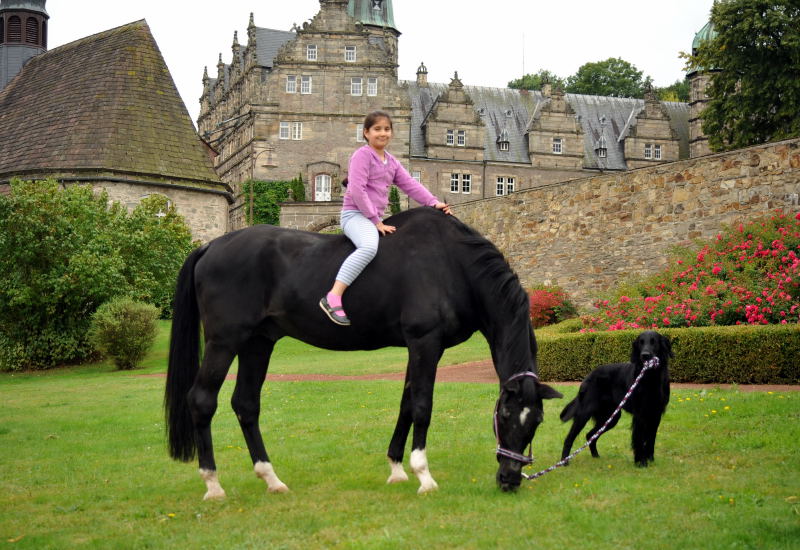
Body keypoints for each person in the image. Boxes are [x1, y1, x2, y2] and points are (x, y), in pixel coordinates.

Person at [319, 110, 452, 326]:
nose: (383, 133)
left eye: (387, 129)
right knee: (369, 247)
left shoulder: (391, 162)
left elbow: (410, 184)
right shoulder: (362, 155)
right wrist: (375, 221)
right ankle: (333, 296)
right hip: (355, 215)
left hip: (373, 218)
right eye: (377, 129)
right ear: (366, 133)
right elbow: (357, 190)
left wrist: (433, 202)